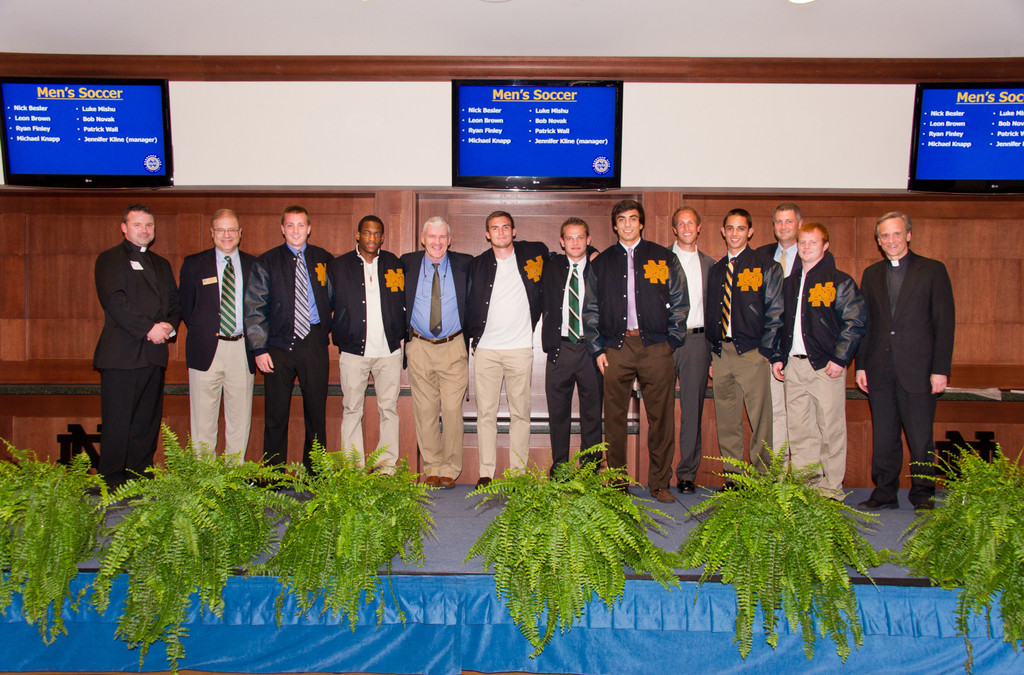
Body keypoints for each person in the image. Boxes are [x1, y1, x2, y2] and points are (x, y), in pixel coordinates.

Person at [583, 199, 688, 503]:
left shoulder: (663, 257)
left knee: (661, 417)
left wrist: (671, 341)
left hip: (656, 347)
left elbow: (681, 301)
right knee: (614, 418)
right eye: (622, 220)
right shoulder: (601, 263)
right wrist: (597, 348)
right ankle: (618, 481)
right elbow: (590, 309)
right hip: (615, 348)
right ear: (614, 226)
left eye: (633, 219)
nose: (627, 224)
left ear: (641, 223)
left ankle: (658, 482)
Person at [855, 212, 955, 511]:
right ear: (878, 241)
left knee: (920, 436)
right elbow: (866, 324)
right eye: (884, 236)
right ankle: (885, 492)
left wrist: (940, 370)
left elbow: (944, 323)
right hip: (879, 369)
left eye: (896, 234)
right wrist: (861, 365)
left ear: (908, 235)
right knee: (884, 436)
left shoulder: (933, 270)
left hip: (920, 370)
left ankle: (923, 493)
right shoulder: (871, 274)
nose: (891, 240)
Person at [770, 223, 866, 500]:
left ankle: (831, 489)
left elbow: (855, 322)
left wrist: (840, 358)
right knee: (800, 431)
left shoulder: (839, 281)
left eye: (814, 242)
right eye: (803, 242)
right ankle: (806, 487)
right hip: (793, 366)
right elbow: (779, 323)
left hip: (826, 367)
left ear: (825, 246)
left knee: (830, 429)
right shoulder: (789, 283)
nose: (807, 247)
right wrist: (777, 356)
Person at [93, 203, 180, 487]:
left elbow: (174, 304)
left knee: (146, 423)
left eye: (149, 225)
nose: (145, 230)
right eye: (138, 225)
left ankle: (140, 476)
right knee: (118, 422)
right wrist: (149, 329)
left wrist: (168, 326)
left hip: (154, 356)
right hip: (121, 356)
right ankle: (113, 482)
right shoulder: (109, 259)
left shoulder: (162, 264)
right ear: (124, 228)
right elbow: (116, 301)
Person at [244, 205, 333, 472]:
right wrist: (259, 348)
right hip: (278, 346)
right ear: (282, 229)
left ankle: (314, 471)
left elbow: (336, 299)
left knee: (316, 413)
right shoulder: (266, 261)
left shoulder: (324, 259)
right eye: (290, 225)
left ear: (309, 228)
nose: (296, 230)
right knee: (275, 415)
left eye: (301, 225)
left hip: (314, 343)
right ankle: (273, 474)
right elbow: (254, 306)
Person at [466, 211, 548, 486]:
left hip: (520, 349)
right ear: (487, 234)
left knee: (520, 414)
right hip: (486, 350)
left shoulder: (534, 254)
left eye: (505, 227)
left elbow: (569, 253)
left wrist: (593, 252)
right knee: (485, 414)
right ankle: (486, 473)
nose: (500, 232)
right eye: (494, 228)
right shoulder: (477, 265)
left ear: (514, 231)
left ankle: (518, 474)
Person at [705, 208, 783, 483]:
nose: (735, 233)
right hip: (722, 354)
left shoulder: (765, 266)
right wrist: (713, 353)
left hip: (752, 353)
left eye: (741, 228)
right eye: (730, 228)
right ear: (723, 232)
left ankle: (763, 479)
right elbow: (711, 313)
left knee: (760, 420)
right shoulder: (716, 271)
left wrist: (766, 350)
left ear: (750, 232)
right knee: (727, 420)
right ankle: (735, 479)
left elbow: (776, 311)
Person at [327, 215, 405, 471]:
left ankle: (386, 467)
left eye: (377, 233)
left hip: (389, 351)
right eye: (367, 233)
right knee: (351, 409)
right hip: (353, 352)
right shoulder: (338, 267)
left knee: (389, 410)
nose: (372, 238)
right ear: (357, 235)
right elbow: (327, 304)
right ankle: (354, 468)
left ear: (383, 237)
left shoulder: (395, 263)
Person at [179, 208, 256, 462]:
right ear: (212, 233)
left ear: (240, 233)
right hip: (206, 349)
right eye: (221, 230)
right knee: (203, 420)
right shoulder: (193, 264)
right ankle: (205, 478)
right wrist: (207, 331)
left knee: (240, 419)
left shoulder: (253, 265)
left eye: (231, 229)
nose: (226, 235)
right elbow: (186, 308)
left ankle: (234, 478)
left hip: (241, 350)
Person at [401, 216, 471, 489]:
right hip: (419, 346)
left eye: (443, 237)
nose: (437, 242)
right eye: (432, 236)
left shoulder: (465, 263)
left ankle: (450, 470)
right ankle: (431, 468)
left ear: (449, 240)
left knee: (453, 410)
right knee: (425, 410)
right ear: (423, 238)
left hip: (453, 346)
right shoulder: (406, 263)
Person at [540, 217, 602, 473]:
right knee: (558, 414)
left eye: (580, 237)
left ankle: (590, 469)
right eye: (569, 238)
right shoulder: (551, 267)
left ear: (588, 240)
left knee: (592, 413)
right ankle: (561, 468)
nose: (575, 242)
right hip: (560, 349)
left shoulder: (601, 267)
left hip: (592, 350)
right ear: (561, 242)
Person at [668, 206, 715, 494]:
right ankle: (658, 474)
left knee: (692, 411)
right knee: (659, 410)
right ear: (674, 229)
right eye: (681, 223)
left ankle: (686, 473)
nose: (686, 227)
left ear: (699, 228)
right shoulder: (659, 260)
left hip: (697, 342)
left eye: (691, 223)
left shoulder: (711, 264)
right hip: (664, 342)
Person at [757, 202, 802, 458]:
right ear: (773, 226)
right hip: (768, 347)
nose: (783, 226)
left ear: (799, 224)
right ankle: (779, 473)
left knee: (801, 415)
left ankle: (803, 474)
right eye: (779, 222)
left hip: (799, 347)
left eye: (789, 221)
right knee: (775, 412)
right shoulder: (761, 256)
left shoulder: (813, 255)